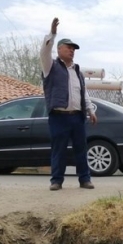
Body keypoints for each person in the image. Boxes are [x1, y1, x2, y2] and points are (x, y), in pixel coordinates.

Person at [40, 17, 98, 191]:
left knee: (81, 149)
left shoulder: (78, 71)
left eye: (74, 49)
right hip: (59, 117)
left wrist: (90, 110)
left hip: (77, 117)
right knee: (59, 150)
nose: (72, 51)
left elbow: (83, 92)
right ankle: (56, 181)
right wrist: (52, 34)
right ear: (59, 49)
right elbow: (44, 51)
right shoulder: (50, 66)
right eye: (69, 47)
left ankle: (85, 179)